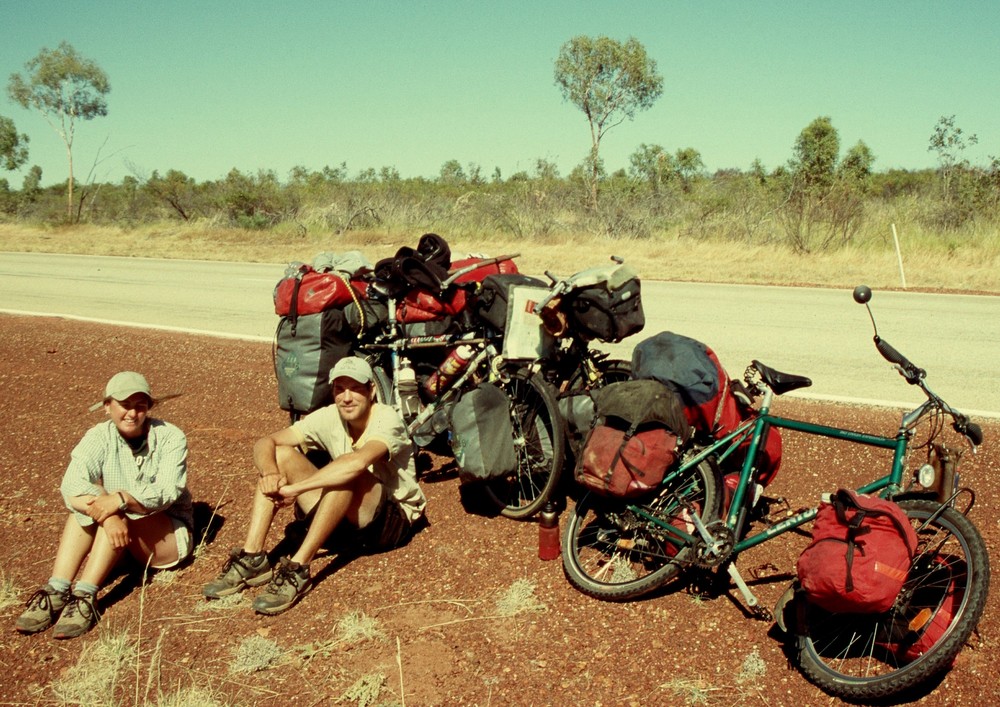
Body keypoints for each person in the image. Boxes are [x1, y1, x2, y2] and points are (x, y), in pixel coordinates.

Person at [202, 356, 426, 615]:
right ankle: (253, 557)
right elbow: (265, 443)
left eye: (355, 388)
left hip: (389, 522)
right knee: (282, 454)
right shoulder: (331, 416)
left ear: (372, 391)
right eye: (339, 389)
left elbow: (358, 462)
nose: (347, 397)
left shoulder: (387, 419)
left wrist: (296, 490)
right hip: (343, 517)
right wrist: (270, 474)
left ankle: (299, 567)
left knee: (347, 470)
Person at [15, 372, 193, 639]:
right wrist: (110, 515)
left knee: (114, 505)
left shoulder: (170, 437)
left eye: (140, 406)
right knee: (84, 506)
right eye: (125, 405)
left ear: (149, 408)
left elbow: (167, 492)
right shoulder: (99, 436)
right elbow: (71, 485)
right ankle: (57, 589)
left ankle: (85, 594)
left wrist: (121, 501)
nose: (132, 413)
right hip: (119, 532)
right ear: (108, 406)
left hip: (165, 537)